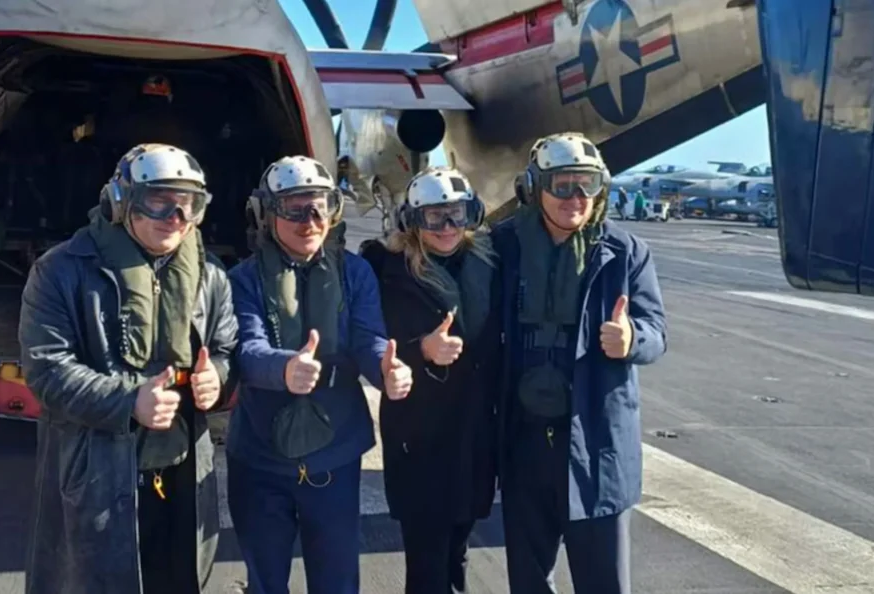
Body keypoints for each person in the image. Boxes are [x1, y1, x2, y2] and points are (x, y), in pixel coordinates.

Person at [19, 143, 239, 594]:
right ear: (122, 201)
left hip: (182, 469)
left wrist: (216, 374)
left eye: (188, 205)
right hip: (99, 472)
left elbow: (226, 347)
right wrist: (128, 401)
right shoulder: (61, 271)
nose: (174, 217)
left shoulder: (211, 275)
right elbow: (47, 369)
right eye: (158, 200)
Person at [227, 155, 414, 594]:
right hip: (260, 457)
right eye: (294, 209)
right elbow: (246, 349)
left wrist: (385, 369)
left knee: (336, 581)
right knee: (265, 581)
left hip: (335, 453)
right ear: (267, 214)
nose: (310, 221)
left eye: (320, 207)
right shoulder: (243, 279)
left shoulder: (355, 273)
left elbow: (368, 338)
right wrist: (284, 369)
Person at [492, 132, 667, 594]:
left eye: (586, 185)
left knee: (604, 582)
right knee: (528, 582)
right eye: (562, 184)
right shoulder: (502, 246)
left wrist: (631, 340)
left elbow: (657, 333)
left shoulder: (625, 252)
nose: (576, 197)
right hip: (524, 443)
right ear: (534, 187)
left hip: (596, 445)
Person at [359, 167, 501, 594]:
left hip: (474, 434)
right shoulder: (387, 271)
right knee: (427, 562)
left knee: (457, 551)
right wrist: (420, 350)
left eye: (457, 215)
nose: (448, 228)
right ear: (412, 222)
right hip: (420, 438)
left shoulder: (487, 263)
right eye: (434, 217)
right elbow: (371, 342)